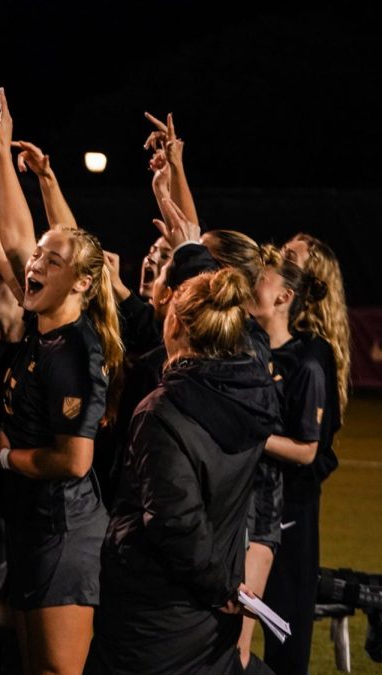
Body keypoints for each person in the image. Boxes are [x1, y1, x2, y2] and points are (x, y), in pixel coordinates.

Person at [0, 87, 122, 675]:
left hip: (64, 532)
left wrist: (9, 459)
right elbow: (11, 239)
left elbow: (75, 462)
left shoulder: (73, 350)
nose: (34, 264)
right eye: (39, 256)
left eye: (51, 261)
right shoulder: (44, 330)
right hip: (34, 525)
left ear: (84, 285)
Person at [93, 268, 279, 674]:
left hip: (156, 613)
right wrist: (224, 587)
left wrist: (218, 587)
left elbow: (176, 521)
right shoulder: (256, 397)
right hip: (213, 609)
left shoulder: (163, 410)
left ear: (174, 322)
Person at [265, 234, 349, 674]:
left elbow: (314, 448)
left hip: (292, 501)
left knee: (286, 621)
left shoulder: (312, 354)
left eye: (289, 256)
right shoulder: (273, 340)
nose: (278, 256)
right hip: (263, 496)